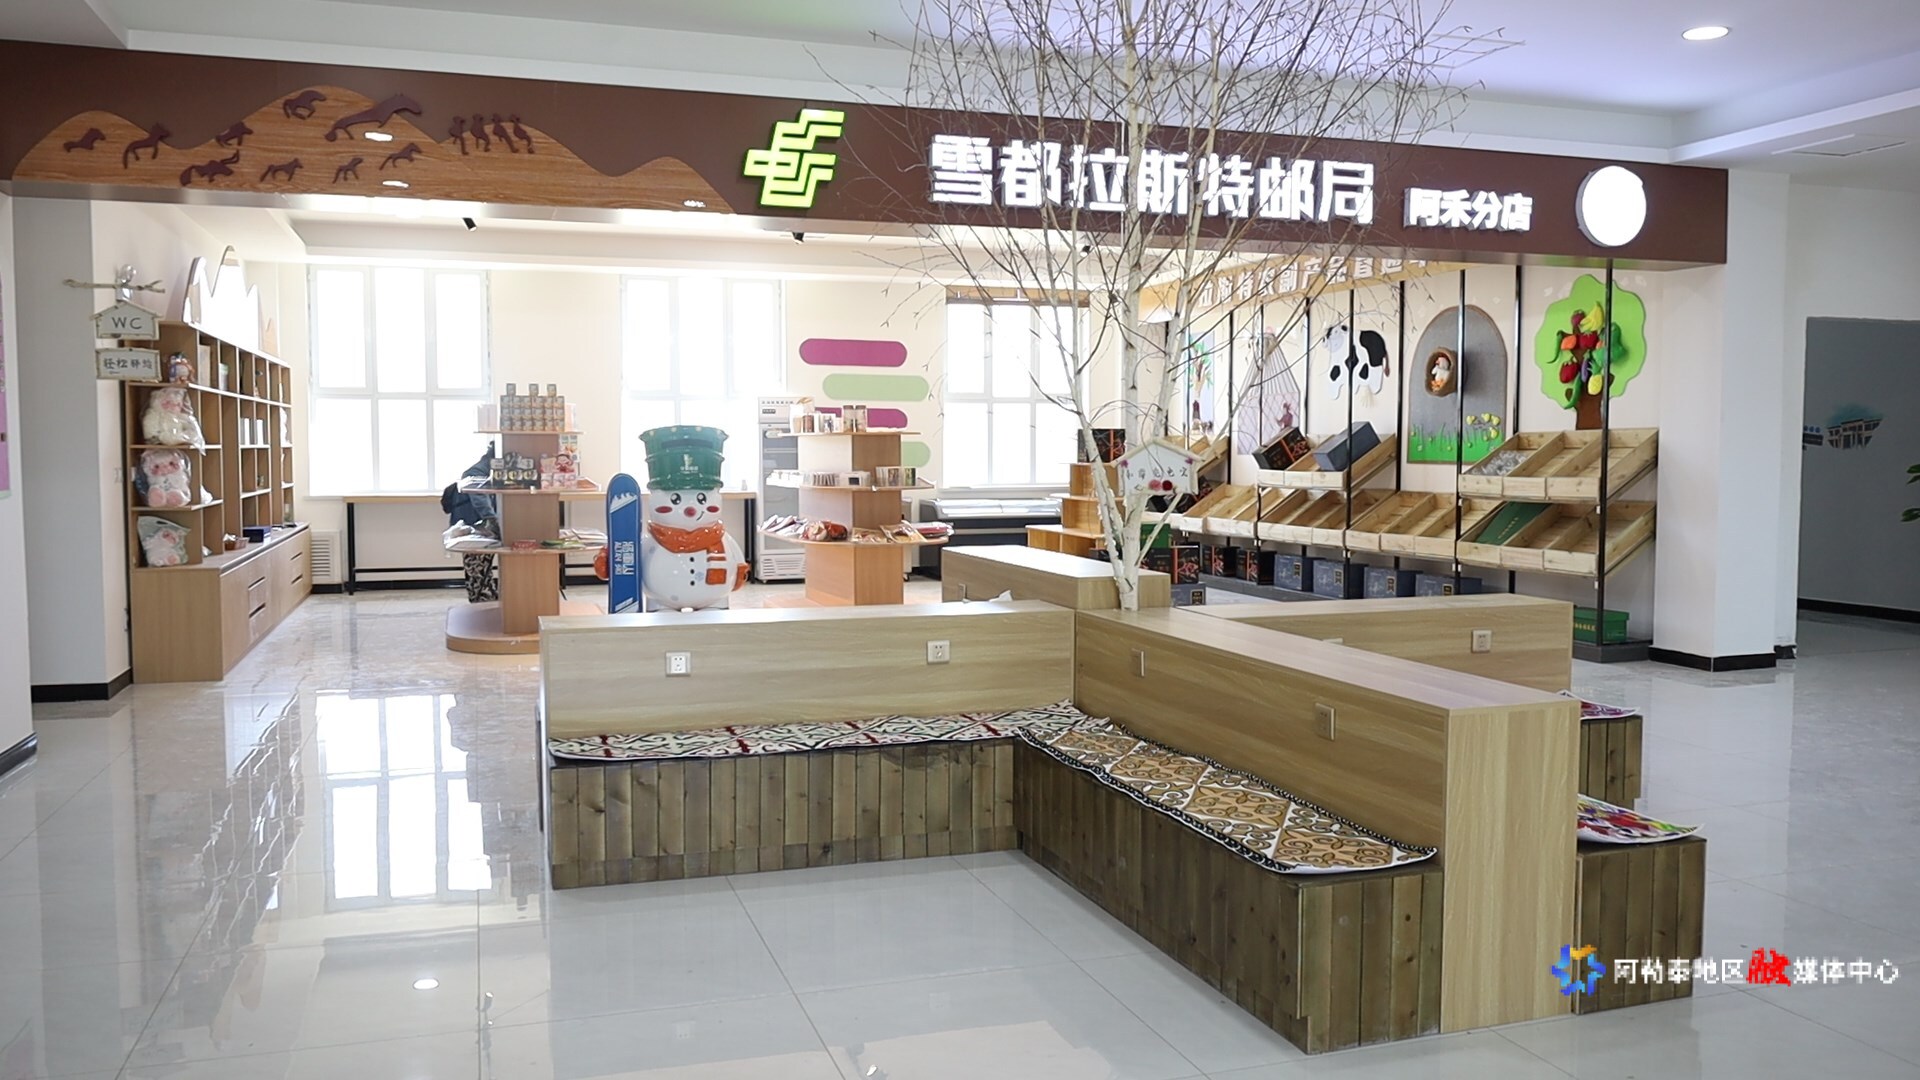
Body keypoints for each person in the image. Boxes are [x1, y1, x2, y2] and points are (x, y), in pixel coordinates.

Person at [442, 444, 499, 603]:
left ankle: (486, 599)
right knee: (477, 570)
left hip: (476, 527)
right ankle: (481, 602)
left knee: (480, 569)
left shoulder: (483, 469)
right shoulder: (477, 472)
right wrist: (494, 521)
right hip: (473, 528)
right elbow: (481, 502)